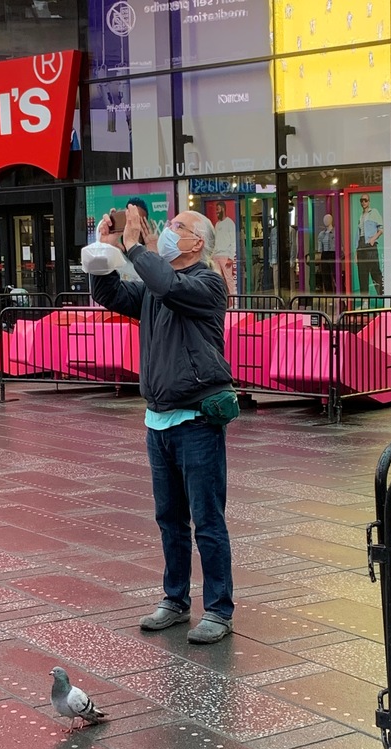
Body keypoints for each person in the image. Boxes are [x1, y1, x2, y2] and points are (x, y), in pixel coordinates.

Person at [91, 204, 235, 644]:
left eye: (179, 227)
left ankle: (218, 609)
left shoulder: (207, 283)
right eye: (170, 225)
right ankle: (175, 601)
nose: (169, 231)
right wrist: (106, 248)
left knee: (207, 519)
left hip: (196, 421)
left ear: (197, 243)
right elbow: (111, 295)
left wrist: (136, 246)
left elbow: (168, 284)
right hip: (159, 422)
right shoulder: (158, 289)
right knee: (169, 519)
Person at [355, 194, 383, 294]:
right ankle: (365, 302)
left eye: (365, 200)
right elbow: (358, 235)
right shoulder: (361, 216)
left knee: (375, 273)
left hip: (370, 245)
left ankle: (382, 298)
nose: (363, 202)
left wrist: (373, 239)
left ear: (369, 201)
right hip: (361, 245)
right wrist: (356, 252)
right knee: (362, 275)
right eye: (361, 200)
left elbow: (381, 229)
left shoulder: (373, 212)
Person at [212, 200, 237, 296]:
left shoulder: (230, 223)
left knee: (229, 280)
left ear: (223, 209)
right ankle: (221, 303)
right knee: (218, 281)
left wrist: (231, 257)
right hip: (216, 256)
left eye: (218, 209)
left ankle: (235, 304)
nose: (216, 212)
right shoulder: (217, 224)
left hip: (225, 256)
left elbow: (233, 241)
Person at [316, 213, 336, 293]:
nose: (325, 221)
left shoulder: (335, 232)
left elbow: (340, 245)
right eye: (324, 219)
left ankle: (339, 296)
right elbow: (320, 248)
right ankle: (329, 295)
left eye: (327, 219)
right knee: (326, 276)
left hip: (333, 254)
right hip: (324, 255)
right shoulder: (321, 234)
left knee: (335, 276)